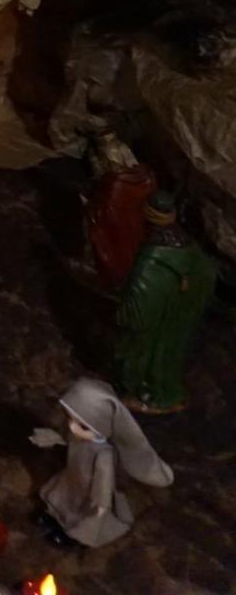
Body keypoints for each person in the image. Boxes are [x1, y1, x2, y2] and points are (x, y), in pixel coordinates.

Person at [36, 376, 173, 547]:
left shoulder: (104, 455)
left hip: (88, 492)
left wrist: (101, 506)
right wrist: (55, 438)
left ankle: (70, 536)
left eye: (83, 426)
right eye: (70, 419)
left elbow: (104, 482)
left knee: (78, 514)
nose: (72, 427)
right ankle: (53, 518)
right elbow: (68, 439)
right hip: (72, 477)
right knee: (61, 500)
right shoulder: (78, 437)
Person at [115, 190, 217, 413]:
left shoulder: (151, 260)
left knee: (149, 357)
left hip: (158, 324)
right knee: (171, 354)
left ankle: (151, 395)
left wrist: (123, 313)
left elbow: (138, 311)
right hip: (179, 318)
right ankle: (168, 391)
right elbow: (207, 275)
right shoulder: (189, 246)